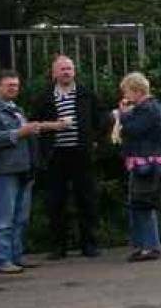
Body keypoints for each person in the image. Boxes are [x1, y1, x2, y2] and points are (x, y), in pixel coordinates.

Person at [0, 70, 67, 275]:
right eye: (9, 85)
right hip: (3, 170)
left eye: (16, 84)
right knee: (2, 218)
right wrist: (20, 132)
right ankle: (2, 260)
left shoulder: (16, 109)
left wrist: (42, 128)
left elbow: (28, 132)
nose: (14, 88)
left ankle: (16, 256)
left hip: (24, 169)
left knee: (20, 218)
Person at [32, 55, 108, 259]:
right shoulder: (45, 96)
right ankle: (59, 246)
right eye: (62, 69)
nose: (66, 72)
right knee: (56, 201)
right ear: (54, 73)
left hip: (81, 153)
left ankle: (89, 244)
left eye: (69, 69)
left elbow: (103, 117)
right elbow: (34, 122)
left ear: (74, 71)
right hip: (55, 155)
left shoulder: (86, 94)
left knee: (87, 198)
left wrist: (95, 139)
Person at [114, 72, 161, 263]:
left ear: (137, 90)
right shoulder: (143, 108)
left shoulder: (148, 109)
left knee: (143, 204)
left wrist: (123, 115)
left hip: (147, 162)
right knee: (137, 204)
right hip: (140, 160)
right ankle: (141, 245)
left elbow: (133, 129)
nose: (126, 96)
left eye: (127, 92)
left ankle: (150, 246)